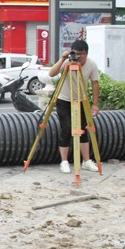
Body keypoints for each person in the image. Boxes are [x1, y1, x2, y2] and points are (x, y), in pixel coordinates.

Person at [46, 39, 100, 174]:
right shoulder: (67, 62)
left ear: (87, 54)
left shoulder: (91, 64)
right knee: (67, 128)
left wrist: (95, 104)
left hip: (81, 100)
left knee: (83, 129)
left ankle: (86, 161)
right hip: (64, 99)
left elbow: (95, 83)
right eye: (77, 53)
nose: (80, 57)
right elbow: (51, 73)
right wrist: (63, 58)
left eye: (83, 54)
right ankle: (64, 162)